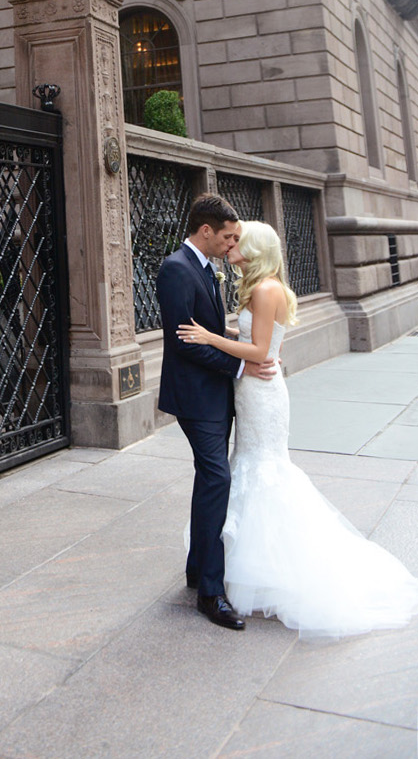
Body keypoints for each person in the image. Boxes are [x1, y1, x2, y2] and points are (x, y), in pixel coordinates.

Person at [178, 220, 418, 638]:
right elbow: (266, 342)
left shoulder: (267, 289)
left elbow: (259, 350)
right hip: (253, 389)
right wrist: (226, 333)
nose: (231, 245)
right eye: (228, 239)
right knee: (248, 467)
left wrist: (209, 338)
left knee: (264, 471)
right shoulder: (261, 287)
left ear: (255, 248)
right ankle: (233, 567)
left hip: (262, 394)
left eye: (239, 240)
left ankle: (270, 568)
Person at [156, 194, 277, 631]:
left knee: (210, 479)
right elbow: (184, 341)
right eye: (226, 236)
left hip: (217, 394)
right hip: (194, 398)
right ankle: (211, 591)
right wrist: (243, 364)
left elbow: (207, 329)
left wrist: (241, 353)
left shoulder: (209, 270)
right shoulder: (176, 269)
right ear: (205, 231)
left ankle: (195, 568)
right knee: (218, 479)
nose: (231, 245)